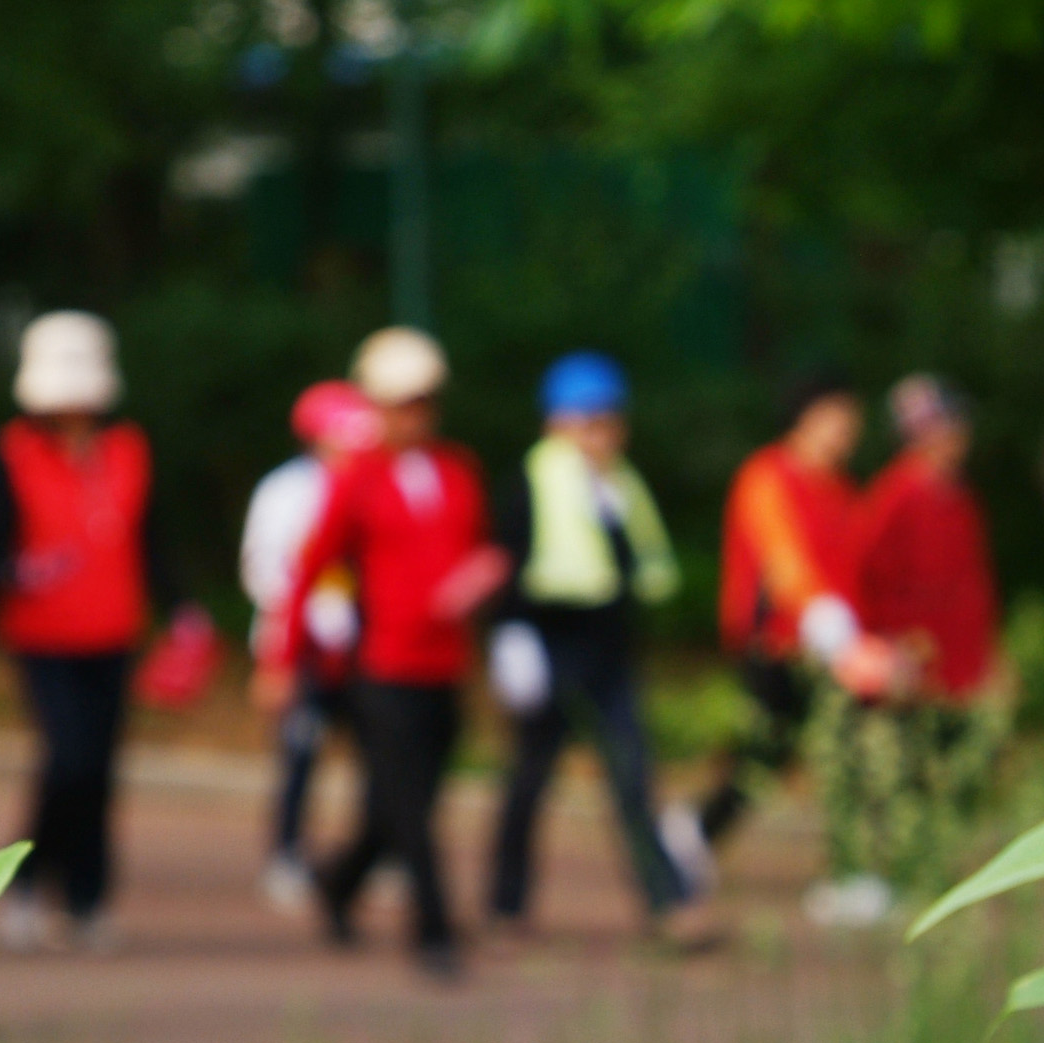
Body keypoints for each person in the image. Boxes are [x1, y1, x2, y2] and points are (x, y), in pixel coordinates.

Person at [269, 326, 503, 979]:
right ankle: (434, 930)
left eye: (423, 402)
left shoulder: (458, 472)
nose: (415, 416)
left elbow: (475, 552)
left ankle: (338, 882)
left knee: (401, 806)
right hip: (382, 666)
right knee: (406, 806)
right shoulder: (358, 480)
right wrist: (283, 661)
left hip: (443, 664)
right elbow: (311, 568)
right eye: (402, 403)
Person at [484, 351, 712, 945]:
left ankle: (669, 905)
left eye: (609, 420)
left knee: (634, 777)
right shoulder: (532, 481)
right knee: (531, 779)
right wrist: (511, 638)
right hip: (552, 645)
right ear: (557, 423)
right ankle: (505, 905)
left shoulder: (621, 488)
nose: (602, 433)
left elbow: (636, 570)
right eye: (589, 420)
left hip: (610, 651)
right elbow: (509, 564)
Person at [661, 371, 898, 891]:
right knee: (766, 755)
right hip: (778, 645)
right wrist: (837, 635)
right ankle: (694, 831)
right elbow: (784, 562)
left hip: (839, 652)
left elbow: (857, 571)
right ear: (806, 416)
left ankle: (856, 873)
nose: (848, 429)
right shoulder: (767, 475)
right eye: (838, 415)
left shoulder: (840, 488)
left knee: (852, 755)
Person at [0, 311, 170, 951]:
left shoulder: (127, 451)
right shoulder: (13, 451)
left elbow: (149, 537)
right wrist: (13, 569)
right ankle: (31, 880)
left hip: (113, 629)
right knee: (66, 759)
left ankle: (89, 896)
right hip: (43, 634)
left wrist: (184, 609)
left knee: (100, 768)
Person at [806, 373, 1012, 922]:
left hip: (954, 672)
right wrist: (879, 652)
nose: (953, 436)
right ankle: (869, 878)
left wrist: (986, 659)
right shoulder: (894, 496)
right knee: (884, 772)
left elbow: (973, 587)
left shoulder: (960, 501)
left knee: (946, 774)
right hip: (899, 668)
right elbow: (861, 578)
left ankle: (924, 879)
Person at [241, 379, 380, 910]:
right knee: (301, 751)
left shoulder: (370, 485)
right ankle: (287, 854)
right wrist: (307, 617)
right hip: (301, 646)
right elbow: (265, 569)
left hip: (359, 645)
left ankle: (373, 854)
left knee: (373, 752)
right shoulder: (285, 491)